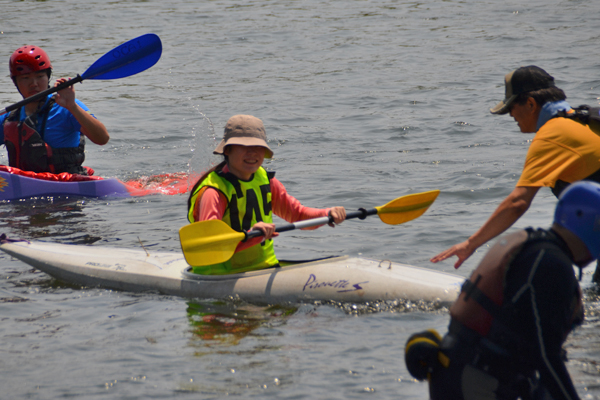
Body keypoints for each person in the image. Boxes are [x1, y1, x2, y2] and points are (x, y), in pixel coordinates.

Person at [405, 180, 600, 400]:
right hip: (474, 380)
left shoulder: (536, 249)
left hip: (461, 370)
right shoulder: (551, 265)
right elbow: (546, 356)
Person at [431, 66, 600, 273]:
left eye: (511, 107)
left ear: (530, 104)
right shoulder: (586, 119)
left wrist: (470, 244)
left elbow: (518, 202)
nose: (510, 114)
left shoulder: (552, 135)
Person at [187, 114, 346, 275]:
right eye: (244, 147)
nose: (253, 153)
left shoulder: (265, 180)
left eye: (258, 147)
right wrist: (250, 235)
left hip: (264, 269)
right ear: (228, 150)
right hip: (219, 277)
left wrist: (327, 214)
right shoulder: (213, 192)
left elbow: (297, 215)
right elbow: (210, 245)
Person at [0, 45, 109, 175]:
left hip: (67, 190)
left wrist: (72, 106)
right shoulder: (9, 118)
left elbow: (102, 138)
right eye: (25, 78)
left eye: (40, 76)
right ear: (15, 82)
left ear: (48, 77)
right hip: (24, 188)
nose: (34, 83)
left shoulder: (66, 107)